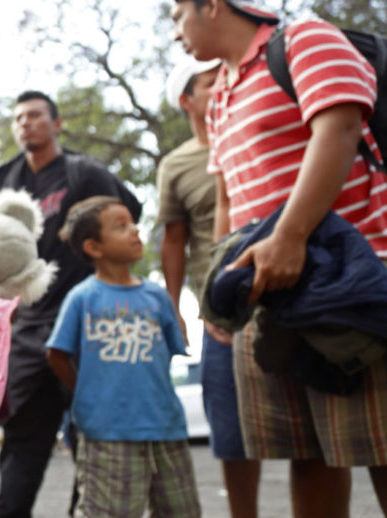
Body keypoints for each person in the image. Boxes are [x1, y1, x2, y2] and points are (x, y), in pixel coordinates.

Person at [172, 0, 387, 515]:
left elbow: (339, 126)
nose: (175, 32)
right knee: (307, 453)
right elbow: (228, 199)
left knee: (381, 445)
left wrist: (290, 235)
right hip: (272, 299)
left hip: (352, 288)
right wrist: (218, 289)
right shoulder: (219, 96)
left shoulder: (304, 40)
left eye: (178, 15)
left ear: (213, 7)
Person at [0, 90, 141, 518]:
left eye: (36, 115)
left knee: (91, 436)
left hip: (83, 321)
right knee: (22, 439)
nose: (26, 123)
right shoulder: (9, 180)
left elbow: (125, 214)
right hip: (28, 327)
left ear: (56, 124)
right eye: (19, 117)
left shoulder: (84, 172)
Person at [47, 195, 201, 517]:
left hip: (165, 429)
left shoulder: (157, 297)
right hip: (107, 433)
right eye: (121, 226)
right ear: (94, 247)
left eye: (133, 223)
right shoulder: (83, 298)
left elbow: (167, 356)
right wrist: (86, 393)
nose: (134, 231)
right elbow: (57, 353)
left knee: (181, 510)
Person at [158, 58, 261, 517]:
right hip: (220, 317)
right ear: (187, 100)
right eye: (207, 82)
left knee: (313, 430)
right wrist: (176, 307)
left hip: (284, 299)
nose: (221, 83)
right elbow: (174, 239)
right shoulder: (176, 165)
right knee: (231, 435)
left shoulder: (256, 134)